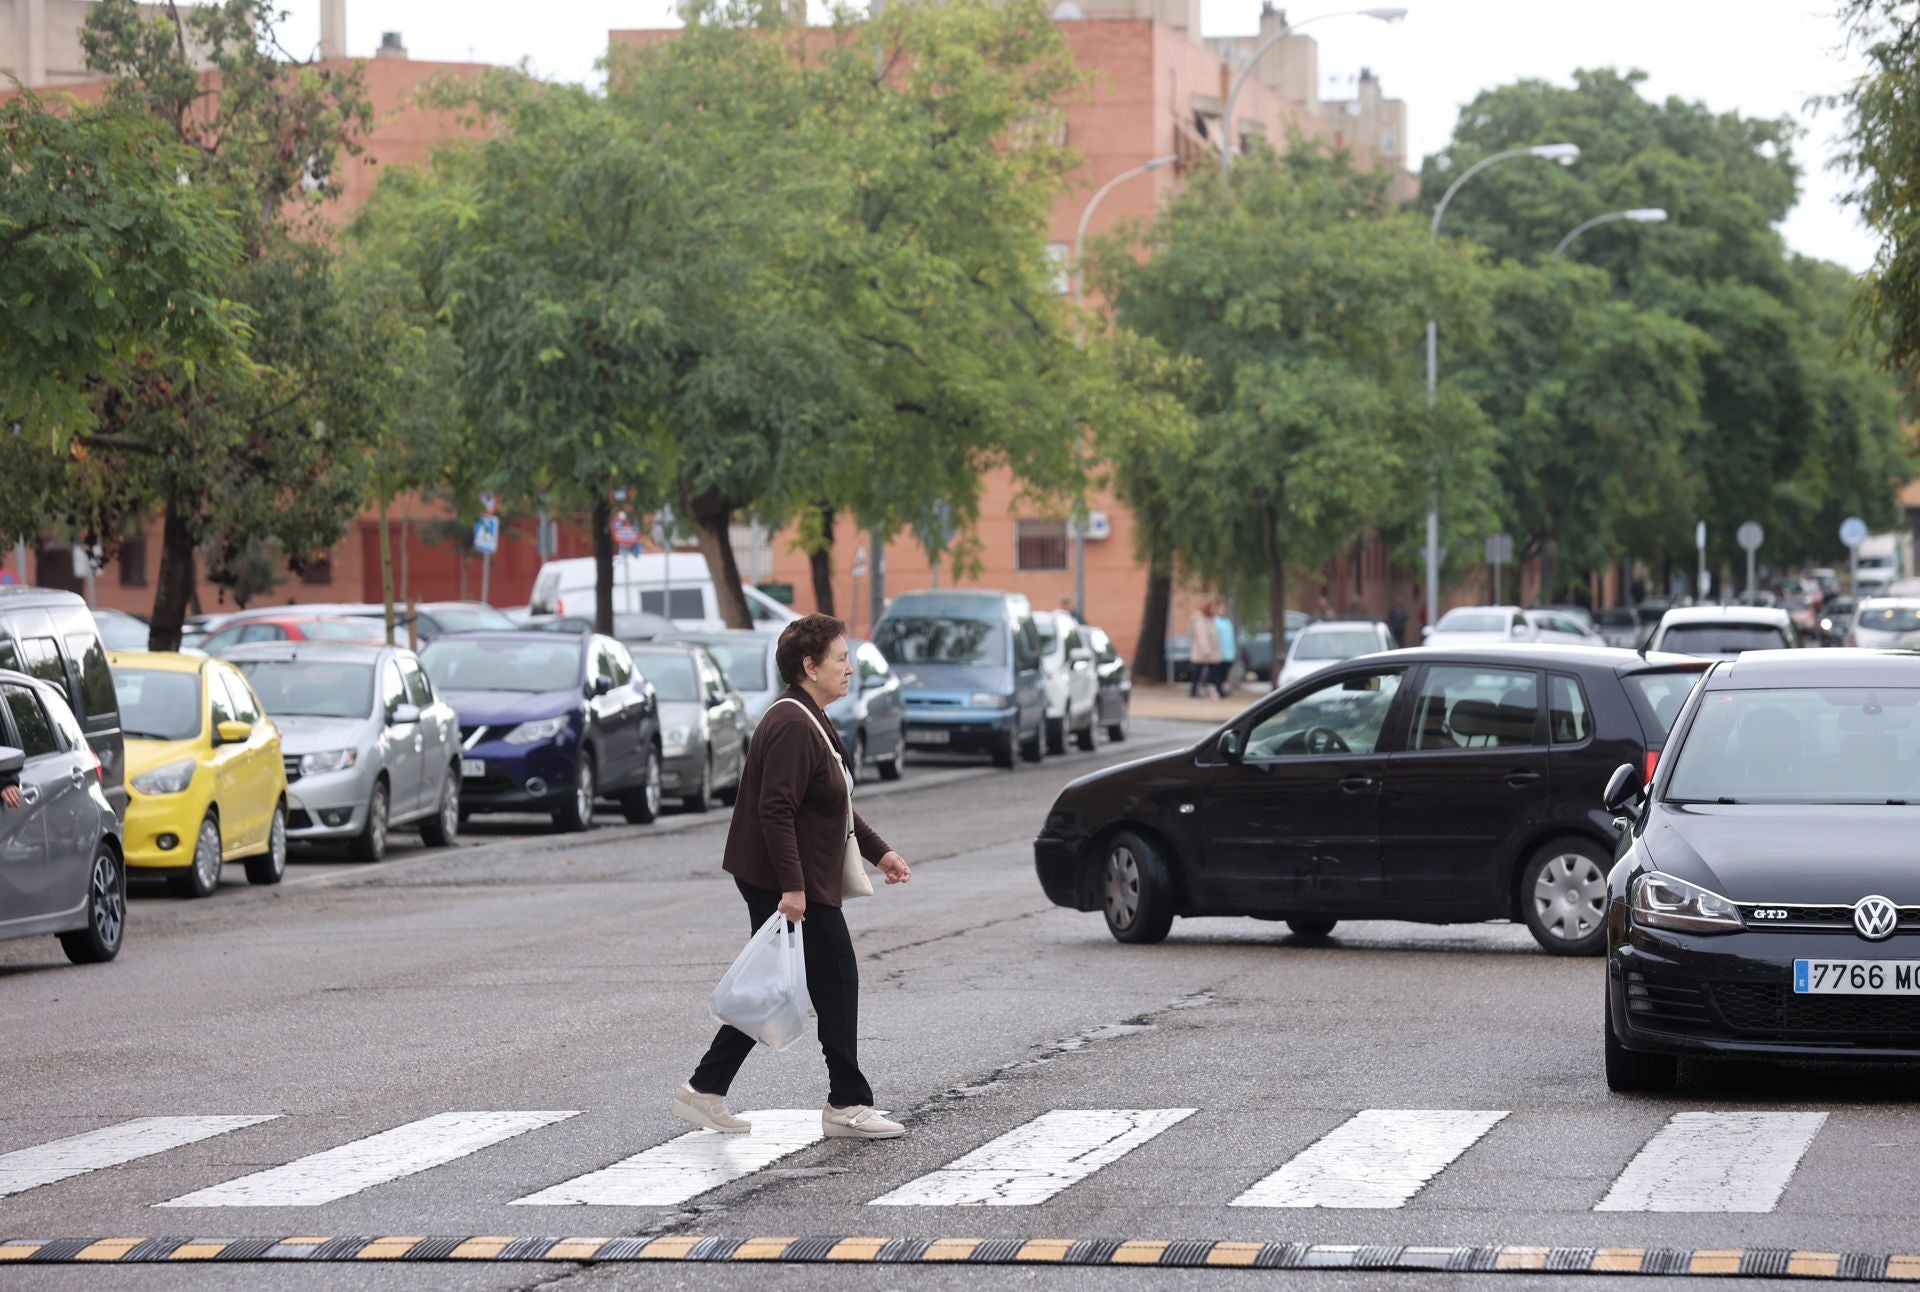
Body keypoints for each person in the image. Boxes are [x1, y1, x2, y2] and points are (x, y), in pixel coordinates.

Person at [676, 614, 913, 1141]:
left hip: (799, 878)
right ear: (809, 666)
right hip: (787, 880)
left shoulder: (810, 716)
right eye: (840, 658)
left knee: (776, 986)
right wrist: (793, 888)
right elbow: (774, 810)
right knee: (835, 981)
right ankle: (847, 1103)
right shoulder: (789, 723)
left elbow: (835, 804)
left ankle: (705, 1090)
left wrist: (881, 852)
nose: (850, 667)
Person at [1187, 602, 1221, 699]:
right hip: (1203, 653)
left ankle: (1214, 690)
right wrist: (1206, 650)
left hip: (1209, 652)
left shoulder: (1210, 620)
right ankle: (1195, 691)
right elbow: (1202, 637)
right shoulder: (1201, 621)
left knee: (1207, 672)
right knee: (1199, 673)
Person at [1211, 608, 1236, 700]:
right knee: (1218, 674)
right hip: (1218, 653)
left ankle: (1222, 690)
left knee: (1224, 674)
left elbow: (1231, 639)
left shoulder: (1228, 622)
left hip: (1228, 653)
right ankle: (1218, 691)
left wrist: (1233, 652)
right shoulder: (1214, 622)